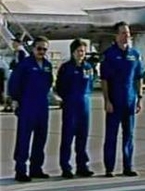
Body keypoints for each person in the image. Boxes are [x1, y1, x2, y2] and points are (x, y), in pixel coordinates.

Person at [100, 22, 144, 177]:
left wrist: (139, 98)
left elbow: (138, 77)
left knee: (129, 135)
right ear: (117, 35)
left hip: (130, 101)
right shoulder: (109, 55)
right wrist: (107, 100)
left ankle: (128, 166)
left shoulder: (135, 54)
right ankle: (109, 168)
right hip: (114, 101)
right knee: (111, 135)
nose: (127, 36)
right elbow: (104, 79)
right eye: (123, 33)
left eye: (128, 33)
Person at [8, 36, 53, 182]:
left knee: (41, 138)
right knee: (23, 139)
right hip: (27, 106)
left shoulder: (47, 65)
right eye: (39, 48)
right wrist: (15, 100)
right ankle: (20, 170)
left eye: (44, 49)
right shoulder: (25, 64)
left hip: (42, 106)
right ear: (33, 48)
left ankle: (36, 168)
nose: (41, 51)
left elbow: (49, 82)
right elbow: (14, 82)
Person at [56, 39, 94, 179]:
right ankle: (65, 166)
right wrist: (66, 98)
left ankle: (82, 166)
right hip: (71, 104)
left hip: (84, 104)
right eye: (78, 51)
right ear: (73, 52)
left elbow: (90, 84)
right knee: (67, 137)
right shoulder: (66, 68)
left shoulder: (88, 67)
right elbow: (59, 86)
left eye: (83, 51)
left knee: (82, 137)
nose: (81, 54)